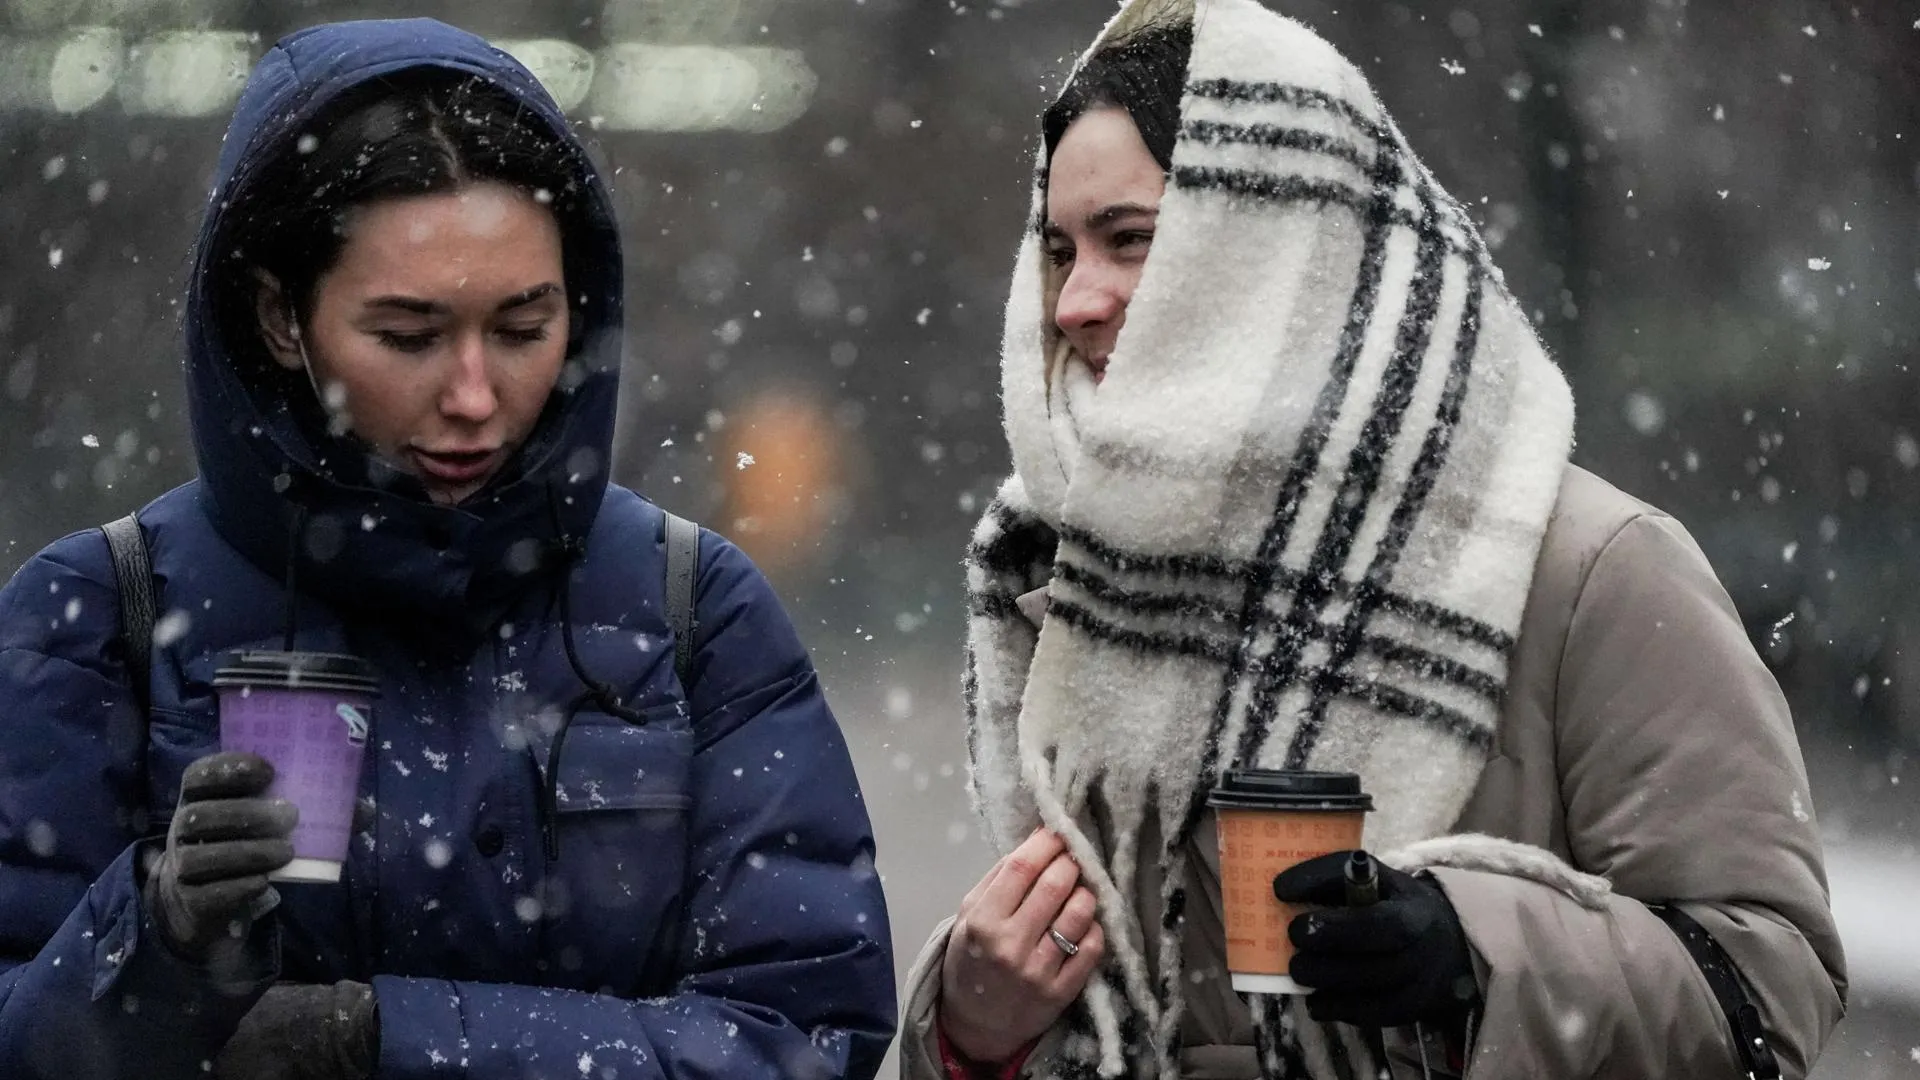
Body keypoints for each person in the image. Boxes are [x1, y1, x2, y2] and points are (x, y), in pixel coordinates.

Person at [901, 1, 1845, 1078]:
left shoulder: (1589, 568)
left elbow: (1772, 984)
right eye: (1061, 251)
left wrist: (1472, 951)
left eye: (1130, 241)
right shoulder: (1067, 573)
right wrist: (969, 1029)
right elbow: (1096, 997)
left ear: (1280, 249)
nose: (1074, 301)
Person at [0, 18, 895, 1080]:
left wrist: (375, 1041)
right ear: (282, 315)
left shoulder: (689, 608)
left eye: (524, 328)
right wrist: (158, 941)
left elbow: (804, 1037)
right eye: (409, 336)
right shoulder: (103, 614)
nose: (475, 397)